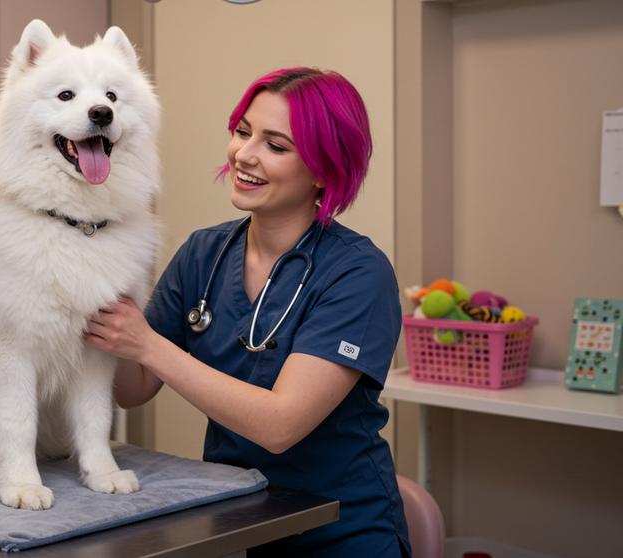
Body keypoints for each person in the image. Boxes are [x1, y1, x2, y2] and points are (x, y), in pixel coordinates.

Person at [84, 67, 410, 557]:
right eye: (242, 132)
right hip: (239, 521)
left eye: (276, 146)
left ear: (325, 169)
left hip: (341, 529)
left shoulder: (358, 274)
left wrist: (146, 343)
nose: (245, 154)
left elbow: (280, 426)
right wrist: (92, 294)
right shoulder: (204, 253)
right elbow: (133, 390)